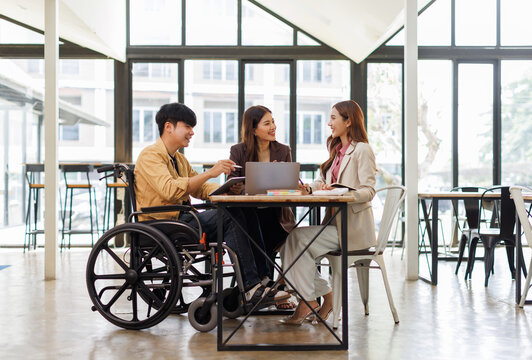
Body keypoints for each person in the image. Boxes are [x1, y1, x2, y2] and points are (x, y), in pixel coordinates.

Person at [134, 102, 289, 306]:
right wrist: (211, 172)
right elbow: (170, 190)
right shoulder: (150, 155)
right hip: (162, 224)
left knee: (242, 209)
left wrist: (226, 189)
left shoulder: (179, 159)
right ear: (168, 127)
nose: (191, 132)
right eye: (187, 127)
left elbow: (199, 188)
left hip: (183, 220)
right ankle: (251, 286)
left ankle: (261, 281)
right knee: (230, 215)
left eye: (192, 128)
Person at [279, 100, 377, 325]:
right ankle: (318, 299)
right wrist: (311, 188)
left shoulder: (362, 149)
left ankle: (310, 300)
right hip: (334, 225)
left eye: (333, 118)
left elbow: (369, 190)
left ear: (348, 120)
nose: (329, 123)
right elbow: (324, 183)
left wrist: (343, 193)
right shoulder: (336, 150)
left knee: (296, 240)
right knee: (289, 243)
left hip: (351, 230)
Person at [228, 105, 296, 309]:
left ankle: (265, 286)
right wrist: (239, 187)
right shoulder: (238, 151)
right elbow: (231, 184)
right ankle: (267, 287)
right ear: (253, 128)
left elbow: (289, 187)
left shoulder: (283, 150)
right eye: (267, 123)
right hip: (248, 213)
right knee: (249, 223)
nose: (273, 126)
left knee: (266, 226)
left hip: (277, 216)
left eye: (273, 121)